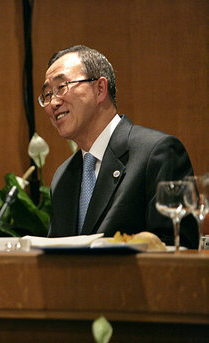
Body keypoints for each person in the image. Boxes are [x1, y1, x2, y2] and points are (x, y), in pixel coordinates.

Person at [38, 45, 198, 248]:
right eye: (47, 94)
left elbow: (178, 248)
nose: (53, 103)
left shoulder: (158, 153)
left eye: (61, 87)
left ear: (100, 89)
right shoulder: (63, 176)